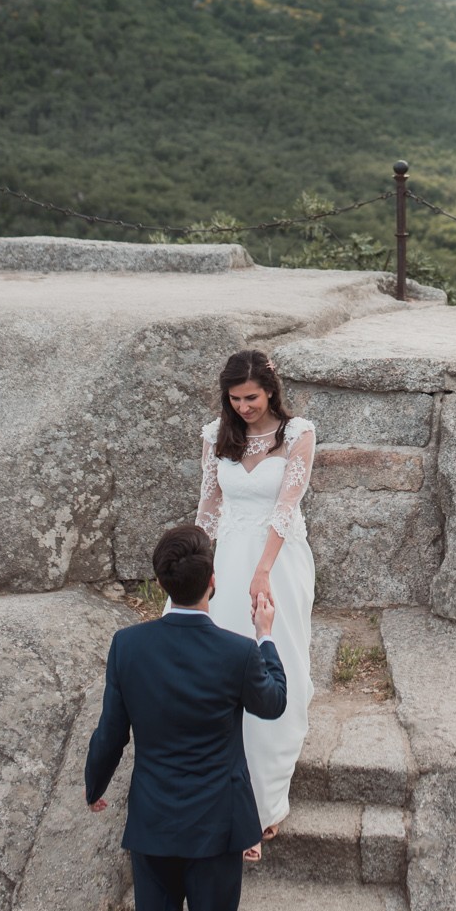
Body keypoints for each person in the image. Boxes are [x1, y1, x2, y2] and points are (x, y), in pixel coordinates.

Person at [84, 522, 286, 911]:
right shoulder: (235, 651)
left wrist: (94, 787)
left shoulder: (128, 646)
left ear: (160, 584)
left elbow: (109, 732)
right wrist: (267, 637)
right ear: (213, 583)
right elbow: (272, 702)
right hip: (217, 829)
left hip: (152, 825)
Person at [194, 350, 317, 860]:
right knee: (216, 670)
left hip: (277, 561)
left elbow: (286, 509)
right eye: (234, 398)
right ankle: (221, 793)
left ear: (270, 391)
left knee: (272, 663)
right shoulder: (213, 436)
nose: (243, 406)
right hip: (226, 557)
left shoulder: (298, 435)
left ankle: (266, 801)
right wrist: (201, 571)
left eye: (251, 397)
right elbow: (207, 506)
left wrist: (262, 570)